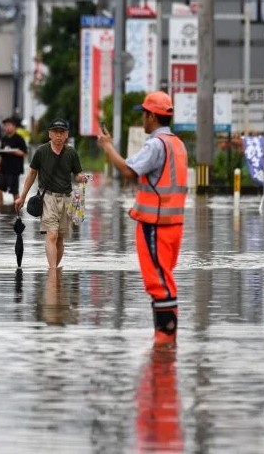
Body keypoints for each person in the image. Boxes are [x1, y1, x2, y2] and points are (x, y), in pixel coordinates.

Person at [96, 91, 188, 345]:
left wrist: (107, 147)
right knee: (164, 278)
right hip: (173, 225)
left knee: (157, 281)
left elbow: (127, 170)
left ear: (152, 116)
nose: (142, 120)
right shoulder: (177, 144)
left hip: (155, 225)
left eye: (143, 114)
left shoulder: (156, 145)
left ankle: (165, 338)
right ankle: (166, 339)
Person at [14, 118, 88, 270]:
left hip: (67, 198)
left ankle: (55, 269)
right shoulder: (41, 151)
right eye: (55, 132)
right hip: (48, 198)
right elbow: (32, 173)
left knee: (60, 238)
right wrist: (22, 196)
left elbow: (77, 174)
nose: (59, 135)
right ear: (50, 134)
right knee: (52, 234)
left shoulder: (71, 153)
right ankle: (52, 271)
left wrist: (82, 177)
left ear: (66, 135)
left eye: (62, 132)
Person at [0, 116, 28, 206]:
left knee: (14, 191)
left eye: (9, 125)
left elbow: (24, 153)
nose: (6, 127)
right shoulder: (4, 139)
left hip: (14, 170)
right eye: (5, 125)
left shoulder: (19, 138)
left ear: (14, 126)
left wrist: (14, 151)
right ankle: (0, 207)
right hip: (3, 169)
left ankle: (17, 210)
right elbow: (1, 154)